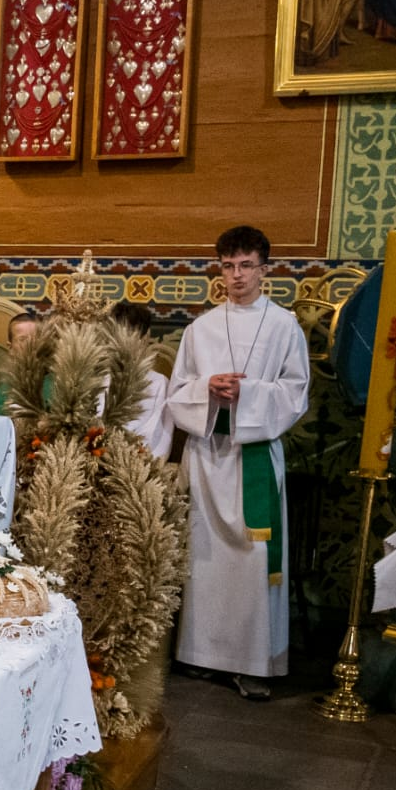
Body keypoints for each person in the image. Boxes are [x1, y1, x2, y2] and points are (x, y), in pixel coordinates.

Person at [164, 226, 311, 700]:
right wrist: (206, 390)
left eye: (246, 265)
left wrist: (247, 392)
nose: (237, 276)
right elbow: (176, 392)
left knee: (252, 558)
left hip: (253, 454)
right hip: (207, 454)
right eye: (228, 266)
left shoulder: (284, 325)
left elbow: (295, 391)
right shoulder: (200, 328)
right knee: (202, 557)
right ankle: (201, 654)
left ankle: (253, 663)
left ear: (265, 269)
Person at [110, 299, 175, 460]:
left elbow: (158, 438)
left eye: (130, 334)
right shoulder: (95, 380)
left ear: (145, 337)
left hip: (136, 467)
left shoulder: (159, 383)